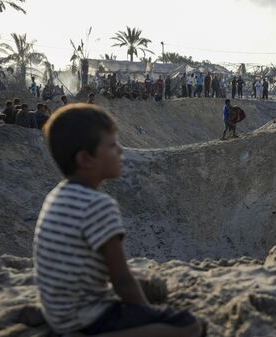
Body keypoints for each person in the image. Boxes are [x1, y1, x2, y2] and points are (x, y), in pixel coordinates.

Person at [34, 104, 204, 337]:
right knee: (188, 325)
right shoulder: (98, 205)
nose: (121, 151)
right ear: (86, 158)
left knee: (146, 284)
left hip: (57, 311)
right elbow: (121, 279)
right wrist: (147, 315)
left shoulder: (56, 195)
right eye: (113, 145)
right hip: (86, 317)